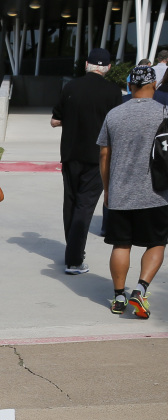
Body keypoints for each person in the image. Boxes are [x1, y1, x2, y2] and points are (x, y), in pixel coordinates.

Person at [98, 64, 168, 318]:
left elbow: (104, 154)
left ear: (129, 86)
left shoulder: (114, 115)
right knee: (157, 242)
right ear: (154, 85)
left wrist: (108, 189)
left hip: (120, 192)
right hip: (156, 193)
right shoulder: (164, 112)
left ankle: (118, 297)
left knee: (121, 244)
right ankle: (140, 290)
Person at [50, 48, 122, 276]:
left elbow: (55, 120)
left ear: (86, 65)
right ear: (108, 68)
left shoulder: (70, 87)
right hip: (98, 155)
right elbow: (117, 125)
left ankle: (72, 251)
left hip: (70, 153)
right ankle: (73, 259)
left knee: (70, 201)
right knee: (85, 204)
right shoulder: (113, 92)